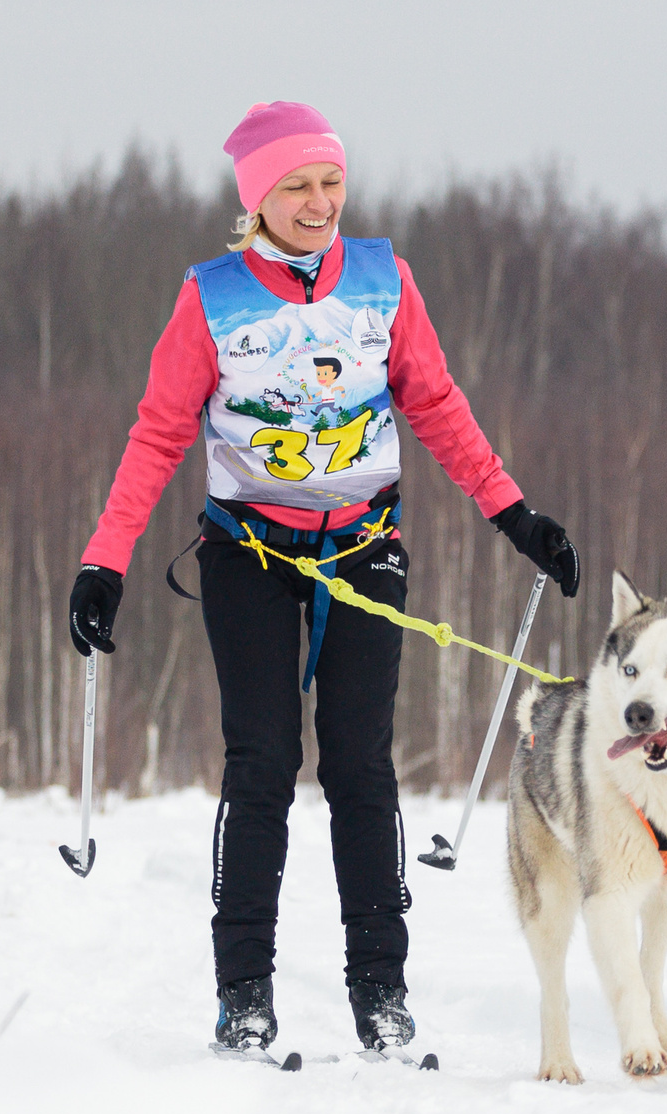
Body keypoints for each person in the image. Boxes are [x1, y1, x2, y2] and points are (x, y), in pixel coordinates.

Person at [65, 102, 581, 1054]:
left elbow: (435, 401)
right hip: (248, 552)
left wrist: (516, 514)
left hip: (362, 546)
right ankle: (244, 994)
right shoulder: (213, 297)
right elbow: (159, 433)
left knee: (359, 764)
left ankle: (381, 992)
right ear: (257, 198)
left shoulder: (384, 280)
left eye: (330, 181)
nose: (318, 202)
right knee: (261, 764)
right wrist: (105, 560)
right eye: (295, 185)